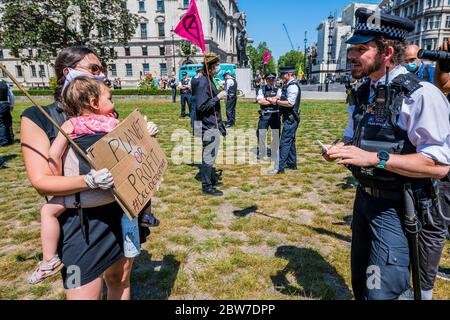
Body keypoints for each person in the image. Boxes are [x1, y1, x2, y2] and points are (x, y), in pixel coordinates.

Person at [325, 8, 450, 300]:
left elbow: (438, 165)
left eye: (361, 49)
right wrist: (337, 148)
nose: (351, 56)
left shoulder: (420, 95)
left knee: (381, 292)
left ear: (387, 52)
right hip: (364, 201)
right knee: (362, 282)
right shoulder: (363, 91)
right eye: (351, 48)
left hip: (396, 208)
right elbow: (351, 136)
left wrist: (376, 159)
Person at [20, 46, 158, 299]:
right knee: (81, 292)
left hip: (121, 215)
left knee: (122, 279)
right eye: (95, 69)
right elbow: (42, 182)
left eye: (102, 69)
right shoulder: (39, 117)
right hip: (78, 227)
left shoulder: (107, 115)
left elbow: (128, 157)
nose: (101, 74)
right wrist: (88, 180)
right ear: (68, 72)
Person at [192, 53, 227, 196]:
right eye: (216, 65)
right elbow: (201, 107)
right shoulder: (203, 82)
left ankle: (211, 178)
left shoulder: (209, 79)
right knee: (208, 156)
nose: (218, 67)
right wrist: (217, 97)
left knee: (211, 155)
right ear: (211, 67)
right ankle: (206, 186)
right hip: (207, 126)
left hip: (214, 124)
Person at [267, 67, 301, 174]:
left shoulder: (293, 86)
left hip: (291, 118)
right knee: (290, 141)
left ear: (288, 74)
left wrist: (276, 102)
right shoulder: (286, 85)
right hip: (288, 117)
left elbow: (290, 103)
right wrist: (274, 99)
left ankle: (279, 167)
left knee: (284, 142)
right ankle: (291, 163)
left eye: (282, 75)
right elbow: (279, 95)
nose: (281, 77)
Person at [256, 72, 281, 161]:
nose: (271, 81)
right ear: (266, 80)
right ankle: (262, 152)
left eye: (272, 79)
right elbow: (260, 101)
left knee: (276, 133)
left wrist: (266, 99)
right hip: (265, 115)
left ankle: (274, 152)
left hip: (275, 115)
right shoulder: (261, 89)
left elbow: (279, 99)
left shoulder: (278, 89)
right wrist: (272, 100)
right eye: (269, 80)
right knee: (261, 133)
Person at [0, 79, 15, 146]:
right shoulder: (5, 83)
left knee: (1, 123)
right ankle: (11, 139)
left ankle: (3, 141)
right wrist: (11, 105)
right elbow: (11, 95)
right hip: (6, 103)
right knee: (8, 122)